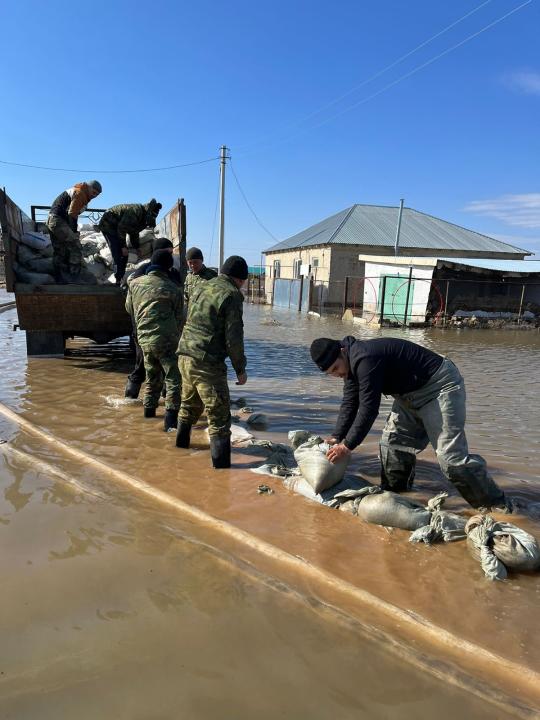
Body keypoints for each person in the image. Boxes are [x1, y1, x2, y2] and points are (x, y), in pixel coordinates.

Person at [310, 336, 509, 511]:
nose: (337, 375)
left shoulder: (365, 358)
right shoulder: (350, 365)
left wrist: (347, 445)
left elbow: (368, 409)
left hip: (439, 387)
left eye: (336, 368)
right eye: (331, 373)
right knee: (392, 446)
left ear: (342, 351)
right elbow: (350, 402)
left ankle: (496, 506)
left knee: (451, 460)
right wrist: (337, 436)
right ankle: (399, 498)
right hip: (409, 395)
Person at [176, 255, 248, 469]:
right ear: (240, 279)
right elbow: (234, 337)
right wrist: (240, 369)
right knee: (219, 418)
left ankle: (178, 455)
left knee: (189, 406)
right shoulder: (231, 294)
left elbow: (185, 317)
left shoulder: (202, 286)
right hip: (206, 363)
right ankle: (221, 473)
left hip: (185, 355)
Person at [125, 249, 183, 431]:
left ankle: (148, 416)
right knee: (173, 380)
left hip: (144, 340)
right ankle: (170, 424)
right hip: (167, 341)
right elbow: (180, 318)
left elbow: (129, 308)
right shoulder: (173, 288)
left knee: (152, 378)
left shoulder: (134, 285)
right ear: (168, 268)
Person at [46, 180, 102, 283]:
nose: (94, 196)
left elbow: (70, 212)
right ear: (88, 188)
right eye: (94, 193)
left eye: (97, 195)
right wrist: (74, 231)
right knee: (75, 246)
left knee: (60, 251)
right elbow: (72, 214)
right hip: (58, 221)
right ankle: (74, 277)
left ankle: (59, 278)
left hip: (52, 221)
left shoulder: (79, 191)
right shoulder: (80, 193)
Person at [98, 199, 162, 284]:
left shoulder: (142, 218)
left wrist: (137, 247)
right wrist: (123, 246)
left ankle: (120, 277)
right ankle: (117, 279)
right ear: (148, 212)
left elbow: (134, 233)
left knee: (125, 255)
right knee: (117, 252)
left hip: (118, 227)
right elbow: (122, 228)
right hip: (108, 224)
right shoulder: (135, 212)